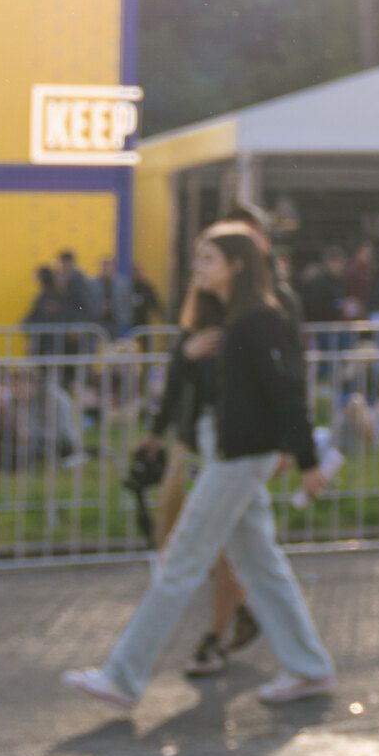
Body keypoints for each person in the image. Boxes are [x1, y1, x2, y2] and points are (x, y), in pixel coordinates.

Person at [61, 223, 336, 710]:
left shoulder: (261, 320)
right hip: (225, 450)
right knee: (261, 565)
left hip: (241, 455)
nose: (198, 268)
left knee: (182, 560)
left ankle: (123, 676)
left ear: (237, 265)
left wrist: (308, 461)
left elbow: (289, 394)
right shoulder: (220, 320)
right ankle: (309, 668)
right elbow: (191, 383)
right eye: (198, 257)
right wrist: (178, 378)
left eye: (208, 258)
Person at [131, 283, 255, 678]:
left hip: (226, 452)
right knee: (170, 535)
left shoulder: (247, 321)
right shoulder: (193, 327)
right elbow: (174, 382)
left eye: (209, 260)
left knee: (218, 545)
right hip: (188, 448)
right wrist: (156, 430)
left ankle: (217, 634)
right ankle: (247, 608)